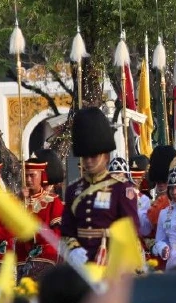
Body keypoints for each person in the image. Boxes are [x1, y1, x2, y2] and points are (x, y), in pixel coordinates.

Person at [59, 107, 139, 265]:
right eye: (85, 156)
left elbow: (130, 229)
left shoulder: (121, 188)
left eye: (93, 156)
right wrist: (73, 249)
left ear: (106, 156)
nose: (88, 161)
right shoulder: (73, 190)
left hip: (111, 261)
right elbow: (67, 230)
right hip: (81, 262)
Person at [19, 152, 63, 260]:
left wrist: (35, 235)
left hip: (44, 256)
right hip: (19, 257)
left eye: (32, 175)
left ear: (41, 175)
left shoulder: (53, 201)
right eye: (26, 176)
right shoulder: (17, 200)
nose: (28, 180)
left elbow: (57, 233)